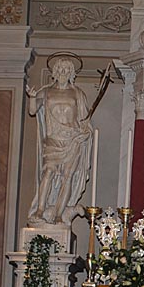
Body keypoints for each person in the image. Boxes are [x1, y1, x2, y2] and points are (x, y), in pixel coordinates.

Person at [26, 53, 93, 225]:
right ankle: (40, 209)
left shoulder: (78, 94)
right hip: (53, 139)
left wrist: (85, 132)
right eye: (60, 69)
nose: (63, 72)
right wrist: (32, 98)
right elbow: (33, 111)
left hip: (72, 139)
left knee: (67, 177)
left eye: (67, 69)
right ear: (55, 72)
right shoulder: (46, 91)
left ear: (71, 73)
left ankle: (59, 214)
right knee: (48, 172)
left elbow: (85, 121)